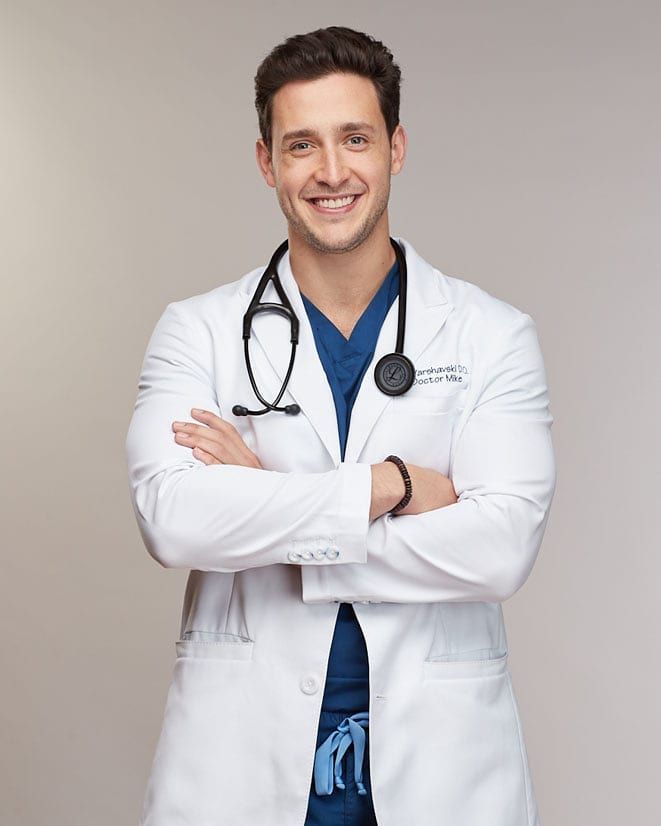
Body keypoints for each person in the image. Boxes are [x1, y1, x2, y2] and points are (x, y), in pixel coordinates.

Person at [125, 25, 556, 826]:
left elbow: (499, 550)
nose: (330, 172)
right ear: (266, 163)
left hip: (444, 771)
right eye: (300, 146)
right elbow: (174, 523)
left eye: (354, 139)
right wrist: (388, 487)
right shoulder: (199, 331)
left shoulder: (490, 333)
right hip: (236, 771)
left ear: (394, 148)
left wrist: (271, 508)